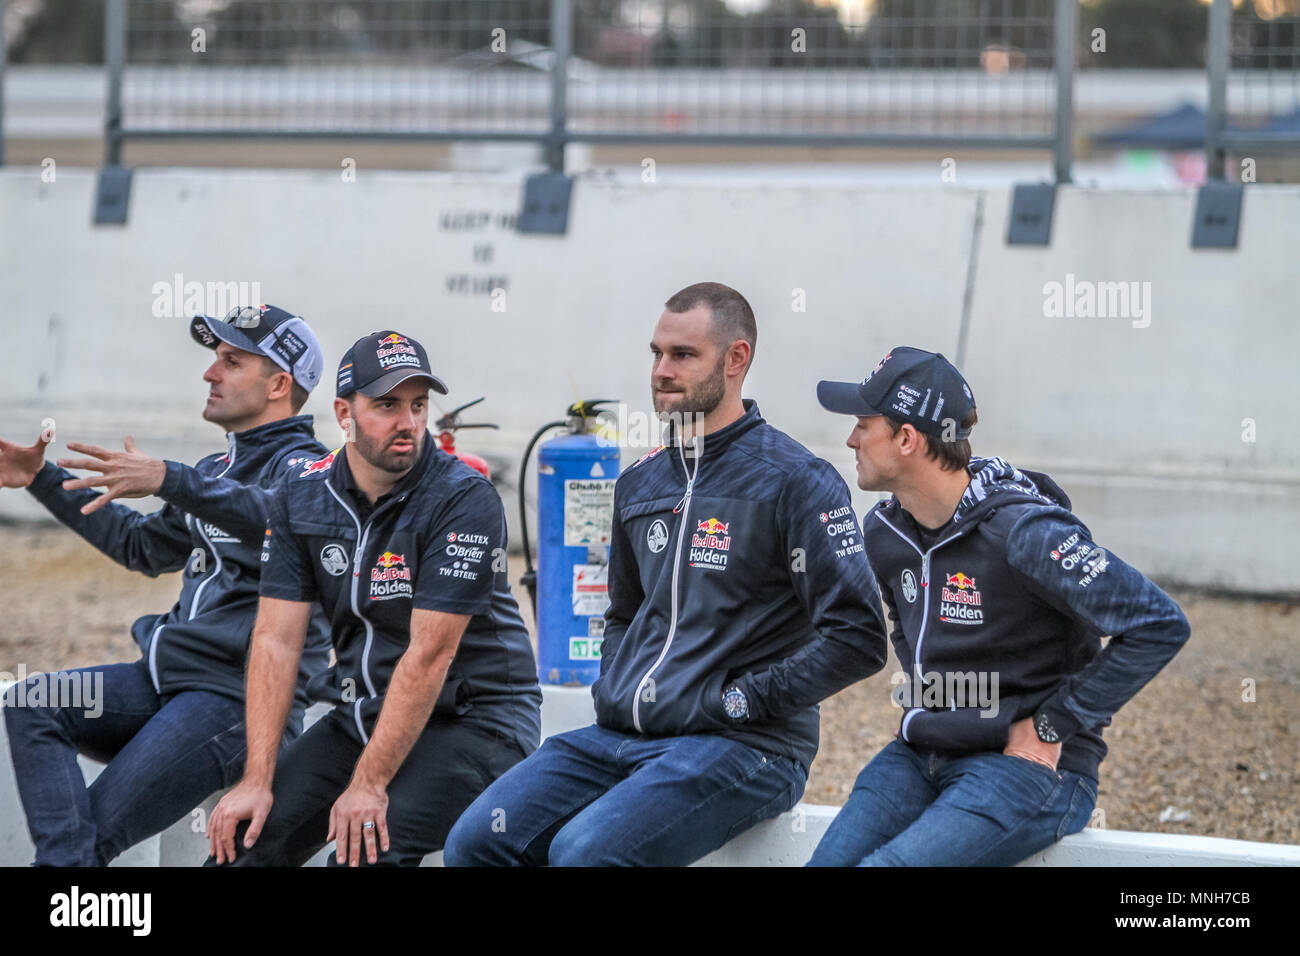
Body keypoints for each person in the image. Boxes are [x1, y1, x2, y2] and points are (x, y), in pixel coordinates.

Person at [444, 282, 888, 867]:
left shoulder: (796, 480)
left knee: (585, 854)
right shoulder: (640, 483)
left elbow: (857, 638)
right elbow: (623, 614)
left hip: (746, 745)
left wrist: (742, 700)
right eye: (656, 353)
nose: (661, 371)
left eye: (683, 355)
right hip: (623, 735)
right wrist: (616, 686)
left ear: (736, 360)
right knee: (476, 842)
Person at [808, 346, 1191, 866]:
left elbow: (1158, 624)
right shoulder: (885, 531)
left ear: (906, 439)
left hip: (1031, 769)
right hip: (921, 753)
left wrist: (1053, 724)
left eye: (862, 423)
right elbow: (905, 621)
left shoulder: (1026, 532)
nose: (850, 438)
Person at [0, 304, 332, 866]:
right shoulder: (215, 470)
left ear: (280, 384)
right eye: (214, 359)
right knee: (33, 700)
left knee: (91, 840)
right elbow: (142, 547)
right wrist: (43, 478)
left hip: (233, 703)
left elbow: (282, 517)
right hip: (167, 682)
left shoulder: (312, 470)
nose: (210, 373)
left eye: (231, 361)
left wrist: (169, 478)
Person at [206, 330, 542, 867]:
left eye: (418, 405)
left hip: (479, 723)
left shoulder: (463, 497)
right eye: (386, 405)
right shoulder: (303, 493)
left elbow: (430, 655)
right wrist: (256, 778)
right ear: (345, 411)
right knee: (245, 844)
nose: (407, 422)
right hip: (363, 712)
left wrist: (368, 783)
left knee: (365, 852)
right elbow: (276, 641)